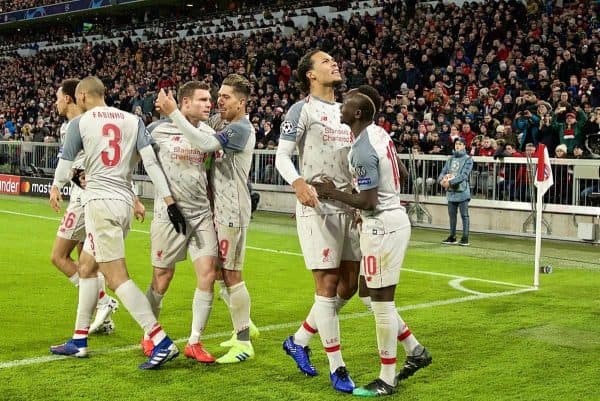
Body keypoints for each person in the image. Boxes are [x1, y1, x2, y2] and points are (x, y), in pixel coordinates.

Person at [48, 76, 185, 370]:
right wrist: (168, 200)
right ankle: (79, 340)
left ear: (82, 95)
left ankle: (160, 340)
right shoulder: (132, 121)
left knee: (116, 276)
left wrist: (56, 185)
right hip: (123, 201)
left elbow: (64, 166)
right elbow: (150, 163)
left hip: (99, 203)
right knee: (86, 267)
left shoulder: (80, 124)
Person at [313, 85, 432, 397]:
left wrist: (331, 193)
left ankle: (387, 378)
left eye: (346, 105)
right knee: (367, 293)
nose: (341, 107)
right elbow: (401, 173)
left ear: (359, 113)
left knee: (381, 302)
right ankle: (415, 349)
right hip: (388, 220)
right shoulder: (380, 134)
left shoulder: (363, 149)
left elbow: (366, 201)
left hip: (381, 227)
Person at [155, 73, 257, 364]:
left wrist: (173, 111)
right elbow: (196, 125)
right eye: (217, 96)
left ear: (241, 102)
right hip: (217, 210)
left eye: (225, 97)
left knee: (233, 274)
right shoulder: (221, 123)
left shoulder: (240, 130)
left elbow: (204, 143)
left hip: (233, 212)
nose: (218, 101)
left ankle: (244, 340)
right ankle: (243, 323)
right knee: (222, 273)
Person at [274, 49, 360, 393]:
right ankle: (337, 367)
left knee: (349, 285)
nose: (333, 63)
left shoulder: (346, 112)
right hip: (318, 205)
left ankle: (298, 339)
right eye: (325, 61)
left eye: (334, 60)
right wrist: (297, 183)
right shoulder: (302, 110)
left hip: (347, 205)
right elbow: (282, 154)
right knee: (326, 286)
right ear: (310, 75)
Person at [139, 81, 219, 364]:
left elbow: (210, 172)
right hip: (168, 216)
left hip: (201, 215)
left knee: (208, 275)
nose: (209, 104)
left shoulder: (208, 133)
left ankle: (195, 341)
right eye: (202, 99)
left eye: (209, 99)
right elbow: (139, 161)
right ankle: (150, 333)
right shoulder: (156, 131)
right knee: (162, 278)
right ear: (184, 102)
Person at [50, 78, 120, 335]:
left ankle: (103, 301)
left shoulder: (81, 125)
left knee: (58, 256)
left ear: (69, 98)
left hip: (85, 197)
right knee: (87, 261)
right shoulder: (72, 126)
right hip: (87, 195)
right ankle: (104, 319)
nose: (55, 102)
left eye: (58, 97)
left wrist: (56, 185)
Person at [438, 137, 474, 246]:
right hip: (451, 192)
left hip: (462, 191)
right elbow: (443, 171)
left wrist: (450, 182)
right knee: (452, 216)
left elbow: (464, 175)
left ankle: (465, 238)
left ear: (464, 146)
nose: (457, 146)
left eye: (459, 144)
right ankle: (452, 236)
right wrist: (441, 180)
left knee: (464, 215)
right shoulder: (450, 159)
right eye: (456, 144)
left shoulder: (468, 159)